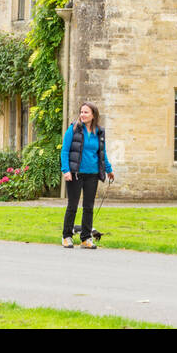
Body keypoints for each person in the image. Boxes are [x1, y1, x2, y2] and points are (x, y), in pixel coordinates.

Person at [60, 101, 114, 249]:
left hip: (93, 174)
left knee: (89, 207)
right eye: (81, 112)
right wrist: (66, 170)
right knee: (72, 206)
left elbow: (102, 153)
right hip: (75, 174)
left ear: (93, 115)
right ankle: (67, 236)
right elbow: (64, 151)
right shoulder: (74, 129)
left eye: (86, 112)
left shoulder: (99, 132)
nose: (82, 115)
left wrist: (109, 170)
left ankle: (85, 239)